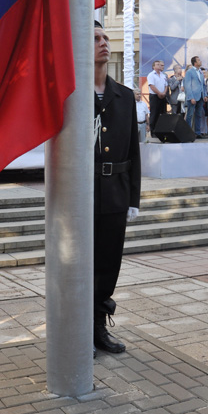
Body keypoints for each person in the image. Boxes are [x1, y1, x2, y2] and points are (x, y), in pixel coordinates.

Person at [93, 21, 141, 354]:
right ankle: (77, 326)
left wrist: (133, 199)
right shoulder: (71, 93)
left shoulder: (124, 96)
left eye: (105, 38)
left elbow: (135, 153)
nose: (103, 43)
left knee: (110, 263)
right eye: (95, 39)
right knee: (81, 264)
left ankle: (98, 327)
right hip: (82, 194)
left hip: (115, 192)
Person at [183, 55, 207, 138]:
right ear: (195, 62)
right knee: (190, 115)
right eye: (199, 60)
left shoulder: (200, 72)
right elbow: (187, 86)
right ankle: (187, 132)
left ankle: (197, 132)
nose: (200, 61)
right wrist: (191, 97)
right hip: (193, 97)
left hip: (200, 96)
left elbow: (203, 85)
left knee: (198, 115)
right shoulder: (189, 72)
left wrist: (205, 95)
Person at [146, 60, 168, 138]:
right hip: (155, 96)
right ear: (153, 66)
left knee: (162, 114)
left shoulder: (163, 75)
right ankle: (153, 132)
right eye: (157, 64)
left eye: (160, 64)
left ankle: (161, 131)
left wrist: (164, 93)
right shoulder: (151, 75)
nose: (159, 66)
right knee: (154, 114)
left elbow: (166, 85)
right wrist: (159, 93)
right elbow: (152, 86)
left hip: (162, 96)